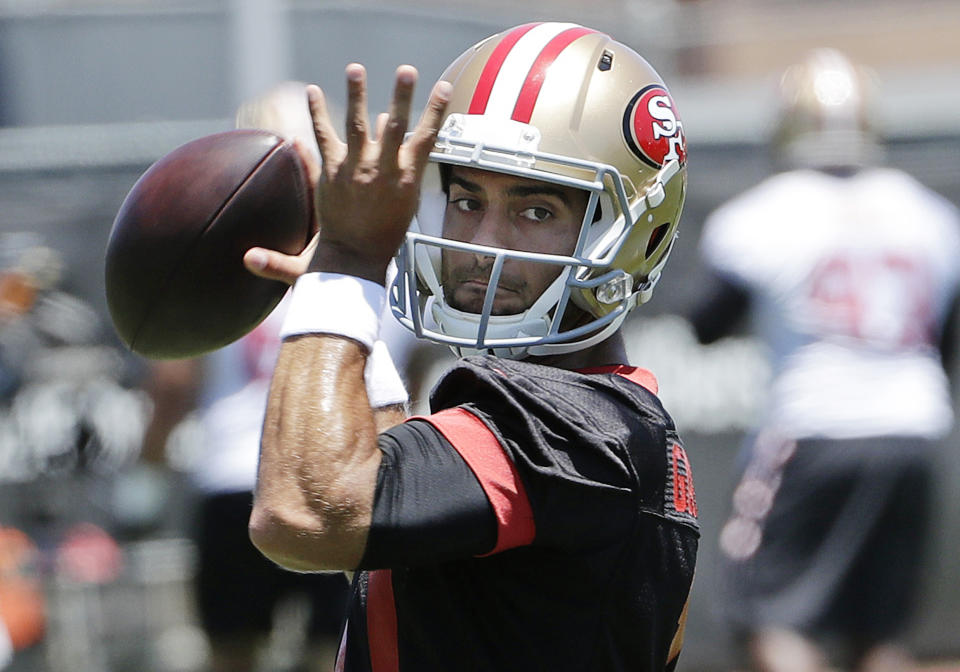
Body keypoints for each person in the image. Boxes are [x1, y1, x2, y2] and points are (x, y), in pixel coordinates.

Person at [242, 22, 698, 672]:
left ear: (634, 236)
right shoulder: (603, 422)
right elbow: (393, 522)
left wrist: (343, 271)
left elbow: (303, 514)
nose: (484, 242)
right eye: (466, 198)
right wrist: (348, 325)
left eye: (535, 211)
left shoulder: (571, 428)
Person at [688, 48, 960, 672]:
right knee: (881, 629)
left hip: (814, 428)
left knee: (767, 612)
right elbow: (942, 346)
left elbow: (705, 326)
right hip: (913, 431)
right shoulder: (933, 216)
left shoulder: (763, 214)